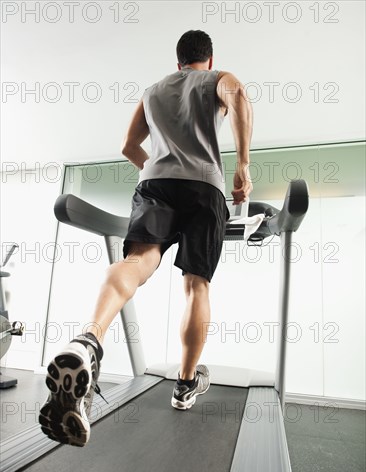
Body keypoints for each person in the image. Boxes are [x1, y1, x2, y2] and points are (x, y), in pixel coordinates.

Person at [39, 29, 253, 446]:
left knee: (138, 262)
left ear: (178, 63)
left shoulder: (153, 90)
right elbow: (240, 95)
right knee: (196, 284)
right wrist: (243, 165)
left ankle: (89, 338)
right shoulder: (218, 78)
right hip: (205, 188)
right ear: (208, 59)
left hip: (156, 186)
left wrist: (151, 169)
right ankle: (185, 383)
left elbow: (127, 145)